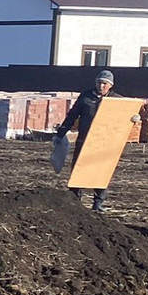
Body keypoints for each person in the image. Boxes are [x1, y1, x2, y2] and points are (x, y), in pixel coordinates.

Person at [56, 69, 114, 212]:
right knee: (78, 169)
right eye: (99, 83)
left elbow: (125, 117)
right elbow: (72, 115)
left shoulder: (117, 100)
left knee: (102, 171)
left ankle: (98, 203)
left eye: (104, 84)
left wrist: (134, 118)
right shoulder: (86, 97)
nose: (101, 86)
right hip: (84, 139)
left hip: (104, 142)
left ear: (110, 85)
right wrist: (61, 132)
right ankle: (75, 200)